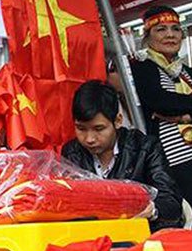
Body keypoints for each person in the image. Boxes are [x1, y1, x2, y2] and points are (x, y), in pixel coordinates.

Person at [128, 5, 192, 229]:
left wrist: (185, 116)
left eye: (175, 29)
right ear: (147, 37)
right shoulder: (142, 69)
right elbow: (160, 101)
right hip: (177, 161)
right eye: (161, 30)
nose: (170, 35)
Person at [61, 80, 183, 230]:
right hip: (92, 238)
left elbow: (171, 202)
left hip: (141, 237)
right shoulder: (72, 153)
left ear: (118, 121)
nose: (89, 139)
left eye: (99, 129)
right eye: (81, 129)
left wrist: (151, 210)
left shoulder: (145, 148)